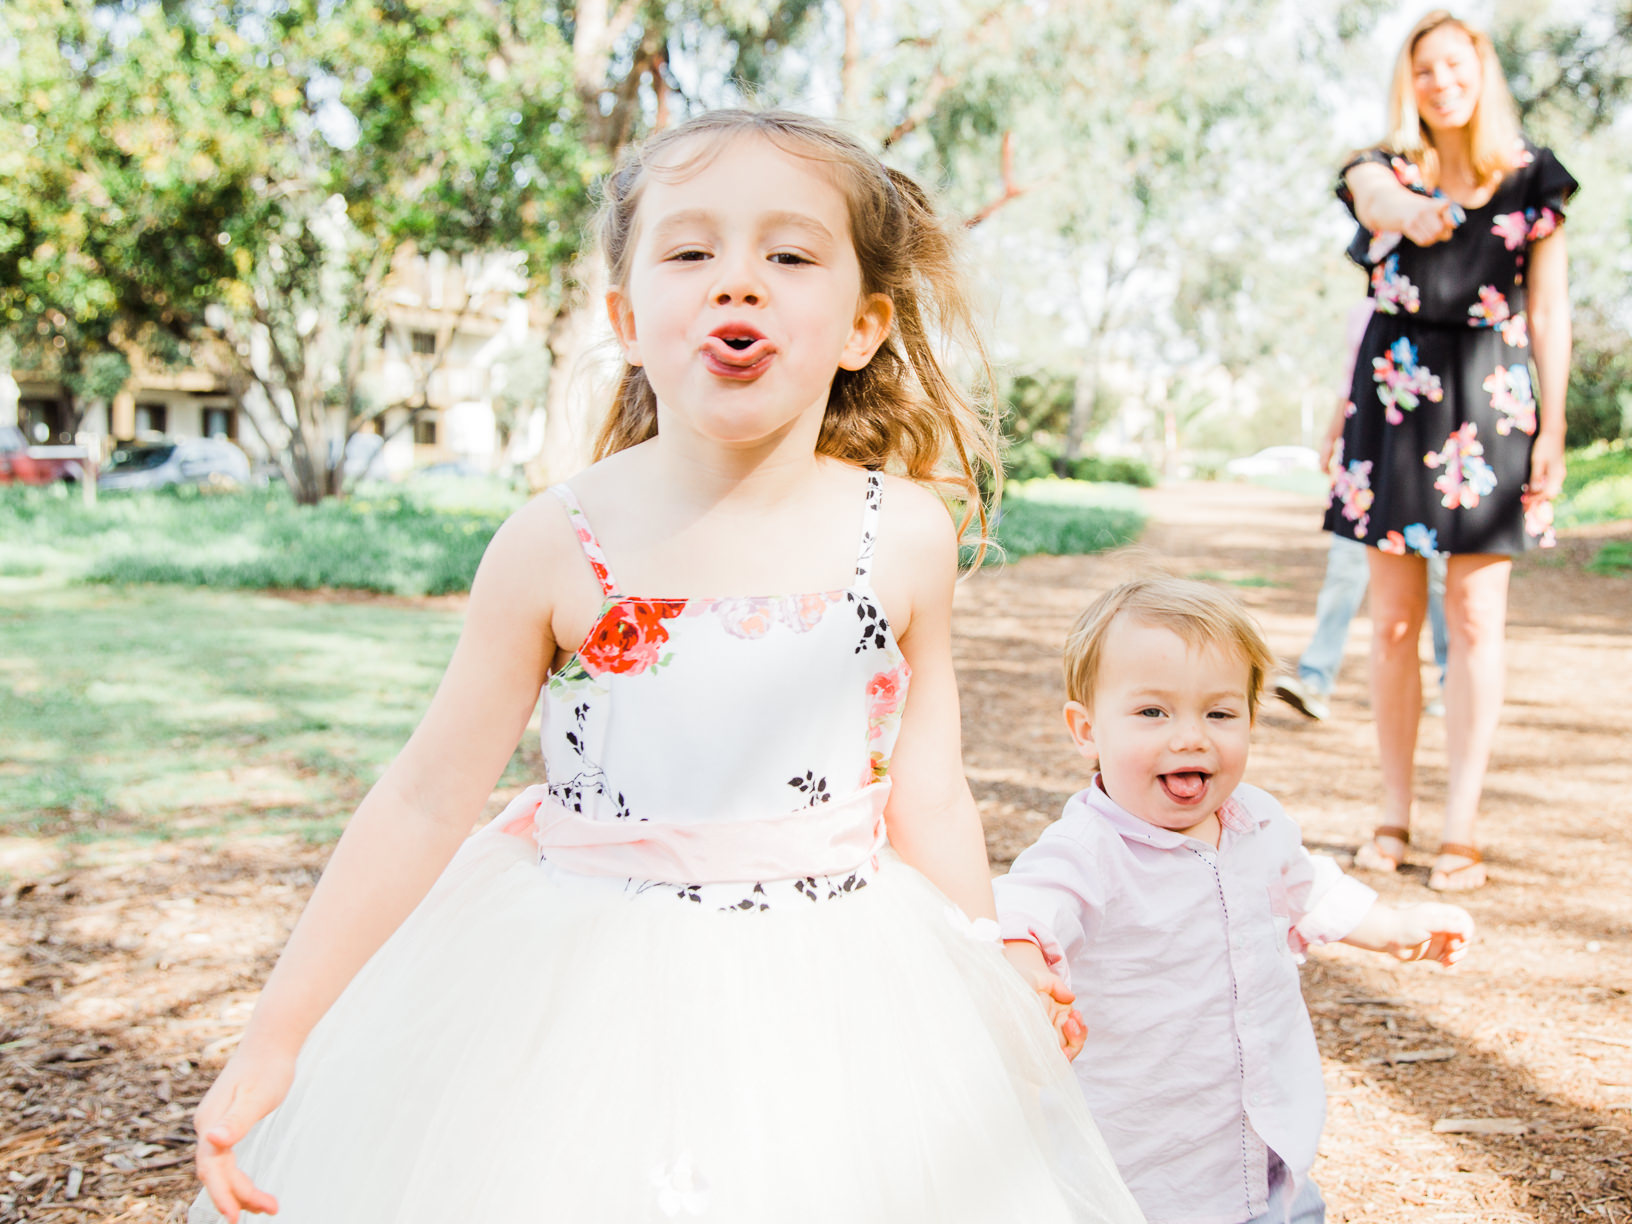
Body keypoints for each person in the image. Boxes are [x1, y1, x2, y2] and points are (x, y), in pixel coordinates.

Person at [188, 110, 1144, 1224]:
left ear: (862, 325)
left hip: (844, 987)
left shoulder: (906, 537)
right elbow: (423, 796)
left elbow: (928, 790)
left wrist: (991, 972)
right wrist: (281, 1030)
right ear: (627, 318)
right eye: (691, 252)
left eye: (789, 255)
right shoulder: (557, 541)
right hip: (584, 990)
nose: (737, 283)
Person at [996, 577, 1475, 1224]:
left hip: (1265, 1148)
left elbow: (1309, 885)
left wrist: (1390, 927)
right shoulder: (1087, 849)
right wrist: (1024, 960)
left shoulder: (1256, 819)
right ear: (1086, 730)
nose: (1191, 737)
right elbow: (1026, 904)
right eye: (1152, 712)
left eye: (1219, 713)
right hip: (1146, 1169)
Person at [1324, 10, 1576, 890]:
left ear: (1481, 73)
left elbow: (1548, 310)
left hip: (1494, 395)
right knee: (1391, 623)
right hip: (1393, 394)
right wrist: (1417, 209)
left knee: (1475, 619)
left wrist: (1556, 423)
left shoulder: (1534, 179)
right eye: (1424, 69)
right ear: (1411, 81)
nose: (1440, 82)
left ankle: (1459, 825)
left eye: (1454, 66)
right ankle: (1391, 814)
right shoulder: (1382, 166)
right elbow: (1372, 203)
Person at [1274, 302, 1448, 724]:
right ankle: (1315, 680)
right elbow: (1351, 380)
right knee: (1345, 569)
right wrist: (1334, 435)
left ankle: (1452, 686)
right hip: (1370, 452)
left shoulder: (1448, 288)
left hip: (1438, 451)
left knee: (1442, 579)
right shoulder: (1365, 311)